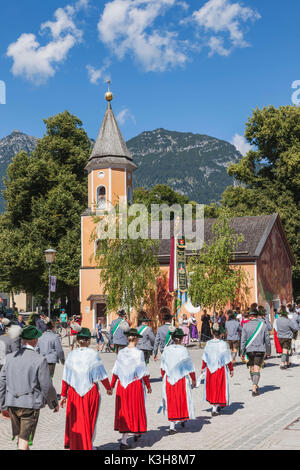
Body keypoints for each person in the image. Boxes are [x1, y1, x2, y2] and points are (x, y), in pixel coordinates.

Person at [0, 325, 59, 450]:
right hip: (29, 405)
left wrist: (2, 405)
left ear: (22, 340)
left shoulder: (10, 358)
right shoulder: (39, 359)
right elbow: (46, 386)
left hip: (12, 404)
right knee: (24, 440)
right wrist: (53, 403)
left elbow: (2, 382)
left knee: (21, 438)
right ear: (35, 340)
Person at [60, 326, 112, 450]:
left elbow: (66, 377)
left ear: (77, 340)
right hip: (90, 391)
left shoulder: (71, 355)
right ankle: (89, 444)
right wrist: (108, 388)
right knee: (90, 418)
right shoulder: (93, 355)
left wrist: (63, 395)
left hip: (73, 392)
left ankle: (76, 444)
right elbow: (102, 374)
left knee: (76, 419)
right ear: (88, 340)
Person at [110, 328, 152, 450]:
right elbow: (143, 371)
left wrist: (112, 385)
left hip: (122, 385)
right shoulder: (139, 353)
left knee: (125, 410)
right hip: (134, 385)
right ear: (137, 339)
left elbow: (116, 370)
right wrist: (148, 386)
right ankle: (124, 440)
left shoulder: (121, 352)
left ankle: (135, 432)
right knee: (133, 409)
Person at [160, 328, 196, 434]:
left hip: (169, 378)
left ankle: (172, 425)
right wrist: (193, 378)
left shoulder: (167, 349)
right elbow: (189, 366)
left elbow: (162, 366)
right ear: (181, 339)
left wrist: (163, 377)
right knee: (180, 399)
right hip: (180, 378)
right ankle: (181, 419)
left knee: (171, 400)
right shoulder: (183, 350)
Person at [201, 323, 234, 416]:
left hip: (210, 368)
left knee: (213, 387)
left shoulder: (208, 343)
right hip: (219, 368)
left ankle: (216, 405)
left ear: (212, 333)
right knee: (218, 387)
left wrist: (203, 367)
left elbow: (205, 357)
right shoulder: (223, 344)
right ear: (220, 333)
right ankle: (214, 408)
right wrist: (231, 369)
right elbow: (227, 358)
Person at [240, 304, 271, 396]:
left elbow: (243, 340)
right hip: (260, 349)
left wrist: (242, 352)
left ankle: (254, 385)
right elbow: (267, 340)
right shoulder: (263, 325)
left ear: (250, 316)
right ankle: (254, 386)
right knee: (257, 368)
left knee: (252, 368)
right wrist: (268, 351)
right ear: (257, 315)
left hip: (249, 349)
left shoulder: (245, 326)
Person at [276, 305, 298, 370]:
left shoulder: (277, 320)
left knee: (285, 350)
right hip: (287, 337)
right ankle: (282, 364)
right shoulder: (288, 321)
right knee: (285, 351)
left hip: (280, 337)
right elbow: (294, 328)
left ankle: (288, 363)